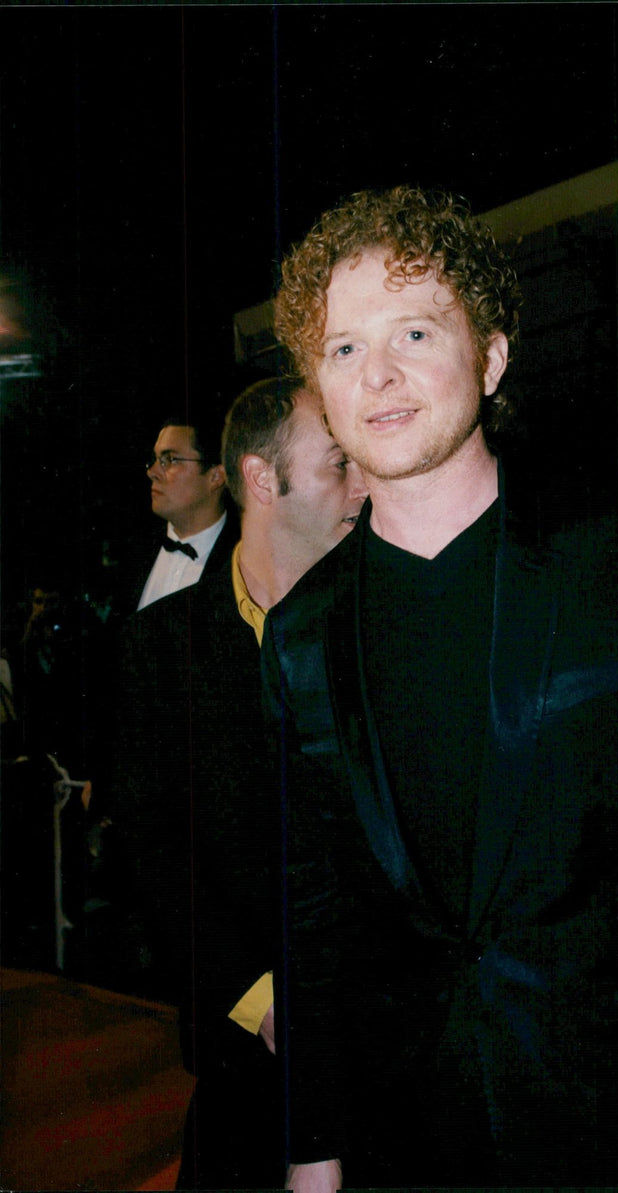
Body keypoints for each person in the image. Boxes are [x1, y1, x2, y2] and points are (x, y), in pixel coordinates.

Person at [263, 186, 618, 1190]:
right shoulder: (300, 633)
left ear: (490, 356)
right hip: (412, 1133)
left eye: (413, 329)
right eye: (344, 347)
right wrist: (311, 1155)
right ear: (317, 387)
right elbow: (313, 923)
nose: (381, 373)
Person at [99, 374, 366, 1189]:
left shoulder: (389, 627)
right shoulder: (157, 650)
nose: (365, 484)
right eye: (338, 465)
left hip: (382, 1052)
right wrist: (259, 995)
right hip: (244, 1057)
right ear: (260, 477)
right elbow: (152, 849)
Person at [120, 413, 237, 614]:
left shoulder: (244, 564)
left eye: (170, 459)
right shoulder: (132, 554)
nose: (152, 472)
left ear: (216, 476)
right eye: (155, 459)